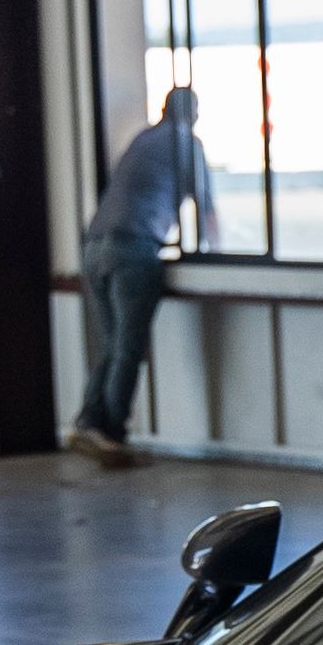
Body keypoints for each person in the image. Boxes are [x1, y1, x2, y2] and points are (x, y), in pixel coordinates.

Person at [69, 85, 217, 469]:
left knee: (110, 341)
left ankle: (88, 420)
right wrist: (214, 251)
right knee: (129, 346)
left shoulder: (142, 139)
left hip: (94, 245)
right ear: (192, 114)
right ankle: (112, 434)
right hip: (133, 250)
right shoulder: (187, 143)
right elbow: (206, 210)